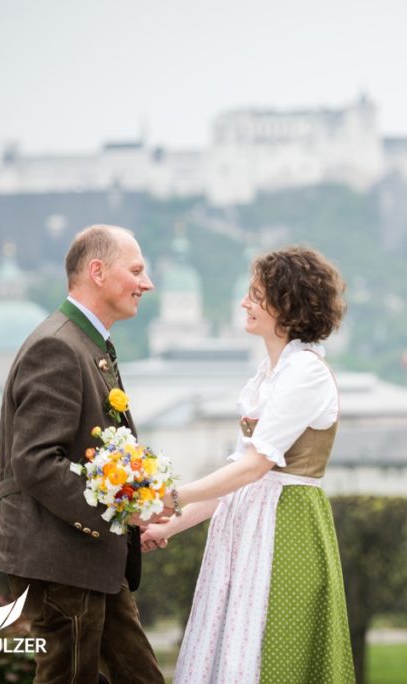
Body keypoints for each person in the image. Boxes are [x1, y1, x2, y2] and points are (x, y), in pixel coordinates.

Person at [141, 246, 355, 683]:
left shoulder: (306, 374)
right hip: (248, 526)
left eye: (256, 295)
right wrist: (169, 525)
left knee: (274, 653)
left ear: (287, 305)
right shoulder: (269, 373)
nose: (244, 303)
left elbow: (255, 467)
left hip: (287, 527)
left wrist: (173, 497)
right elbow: (238, 476)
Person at [0, 224, 166, 683]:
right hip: (63, 558)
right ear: (98, 271)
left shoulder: (86, 343)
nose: (147, 284)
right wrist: (117, 515)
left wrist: (133, 508)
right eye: (137, 271)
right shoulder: (58, 345)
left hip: (89, 557)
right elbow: (36, 461)